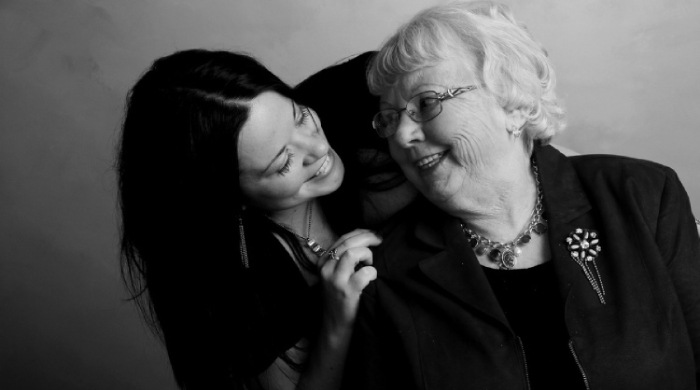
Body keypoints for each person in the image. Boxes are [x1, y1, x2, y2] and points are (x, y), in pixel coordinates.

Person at [343, 2, 700, 389]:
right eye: (390, 119)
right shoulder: (388, 271)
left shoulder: (642, 195)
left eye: (426, 104)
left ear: (512, 104)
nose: (401, 136)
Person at [117, 49, 380, 390]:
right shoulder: (238, 283)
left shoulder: (329, 99)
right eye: (283, 162)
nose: (316, 150)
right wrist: (336, 323)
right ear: (231, 197)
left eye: (300, 117)